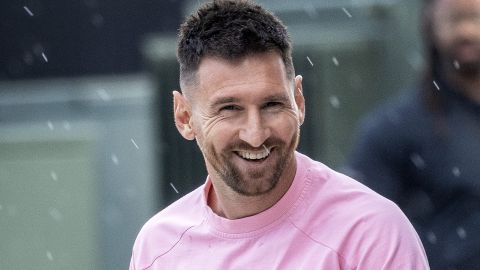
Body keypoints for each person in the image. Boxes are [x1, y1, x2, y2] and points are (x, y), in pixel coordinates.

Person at [130, 1, 429, 269]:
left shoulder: (369, 234)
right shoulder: (158, 248)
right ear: (184, 117)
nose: (255, 134)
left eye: (272, 104)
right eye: (230, 108)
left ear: (298, 101)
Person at [345, 0, 480, 269]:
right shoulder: (394, 128)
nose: (467, 31)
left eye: (476, 17)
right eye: (455, 19)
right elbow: (353, 225)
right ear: (431, 24)